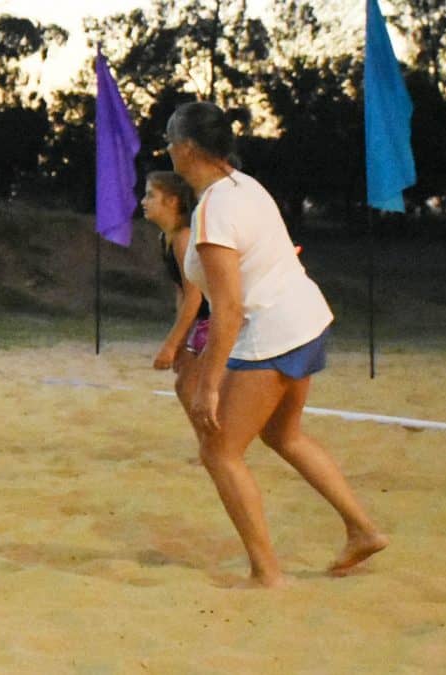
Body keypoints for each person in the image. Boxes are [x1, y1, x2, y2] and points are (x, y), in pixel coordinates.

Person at [165, 101, 387, 587]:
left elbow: (228, 307)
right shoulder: (246, 187)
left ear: (186, 149)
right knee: (283, 436)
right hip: (305, 319)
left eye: (169, 143)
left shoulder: (214, 211)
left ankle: (267, 573)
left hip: (274, 332)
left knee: (219, 453)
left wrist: (210, 385)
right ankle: (362, 529)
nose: (167, 152)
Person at [143, 171, 210, 438]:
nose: (143, 201)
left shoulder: (184, 238)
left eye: (150, 195)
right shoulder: (167, 239)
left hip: (219, 319)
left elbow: (195, 296)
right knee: (187, 385)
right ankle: (209, 443)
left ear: (172, 201)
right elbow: (182, 293)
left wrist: (171, 345)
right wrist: (180, 338)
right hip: (205, 321)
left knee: (191, 385)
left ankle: (213, 444)